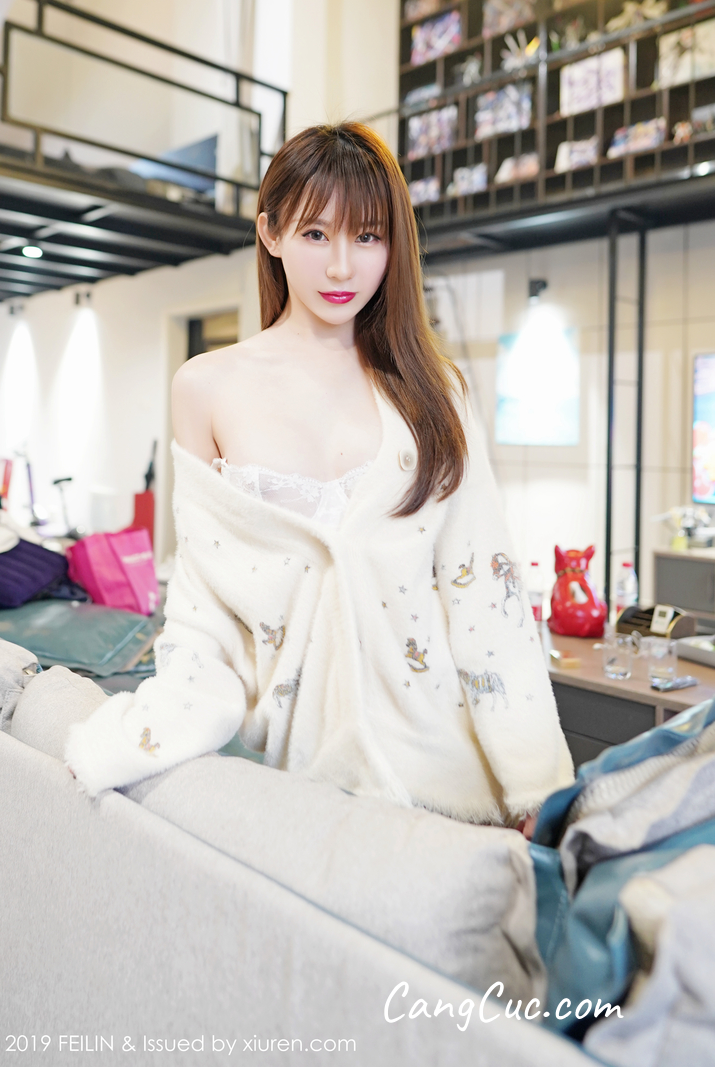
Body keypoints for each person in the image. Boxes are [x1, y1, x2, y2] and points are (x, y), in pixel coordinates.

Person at [65, 122, 574, 831]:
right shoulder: (206, 387)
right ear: (270, 233)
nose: (341, 267)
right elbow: (204, 606)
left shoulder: (435, 392)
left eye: (367, 237)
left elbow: (487, 599)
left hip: (455, 782)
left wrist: (537, 787)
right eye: (315, 234)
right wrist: (135, 739)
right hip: (307, 781)